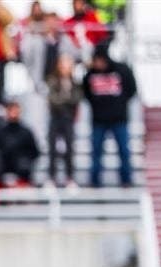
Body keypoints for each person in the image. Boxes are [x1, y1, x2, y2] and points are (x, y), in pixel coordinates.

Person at [83, 46, 137, 188]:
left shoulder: (122, 70)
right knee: (96, 151)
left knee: (124, 150)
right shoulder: (90, 74)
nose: (97, 64)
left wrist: (119, 104)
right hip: (98, 120)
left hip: (119, 119)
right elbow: (86, 94)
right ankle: (94, 180)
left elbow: (132, 90)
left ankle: (126, 179)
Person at [46, 54, 81, 187]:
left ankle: (70, 177)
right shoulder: (52, 81)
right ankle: (51, 177)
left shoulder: (75, 82)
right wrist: (66, 101)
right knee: (52, 149)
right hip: (55, 118)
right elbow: (53, 100)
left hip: (68, 119)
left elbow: (77, 99)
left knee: (70, 148)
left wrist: (64, 101)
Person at [0, 101, 39, 186]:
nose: (13, 114)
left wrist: (24, 163)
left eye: (16, 111)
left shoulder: (26, 132)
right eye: (11, 111)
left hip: (23, 177)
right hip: (2, 176)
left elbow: (34, 152)